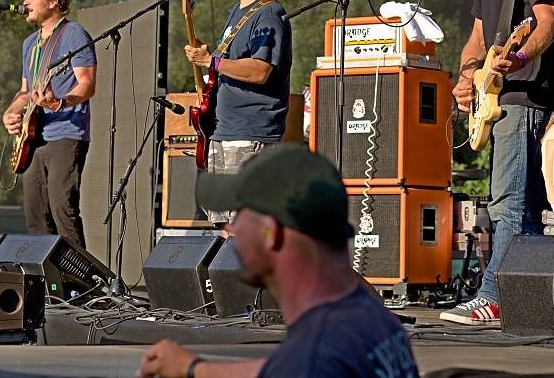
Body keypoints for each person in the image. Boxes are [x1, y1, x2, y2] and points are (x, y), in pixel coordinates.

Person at [136, 144, 419, 378]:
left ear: (270, 233)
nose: (232, 229)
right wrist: (195, 369)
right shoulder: (372, 321)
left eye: (239, 214)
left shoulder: (315, 356)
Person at [441, 0, 554, 325]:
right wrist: (466, 77)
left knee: (507, 202)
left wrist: (521, 57)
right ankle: (531, 297)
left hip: (523, 95)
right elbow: (477, 38)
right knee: (527, 206)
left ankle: (493, 296)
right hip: (494, 99)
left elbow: (547, 21)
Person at [184, 0, 292, 223]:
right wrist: (208, 59)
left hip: (250, 132)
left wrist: (212, 62)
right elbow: (229, 65)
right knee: (224, 224)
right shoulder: (238, 13)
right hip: (224, 130)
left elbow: (260, 70)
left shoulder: (269, 14)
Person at [2, 0, 96, 249]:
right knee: (35, 215)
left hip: (66, 132)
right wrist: (11, 112)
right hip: (33, 138)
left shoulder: (74, 34)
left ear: (53, 1)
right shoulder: (30, 44)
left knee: (62, 208)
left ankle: (81, 275)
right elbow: (25, 91)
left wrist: (60, 103)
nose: (25, 1)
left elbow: (87, 84)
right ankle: (45, 275)